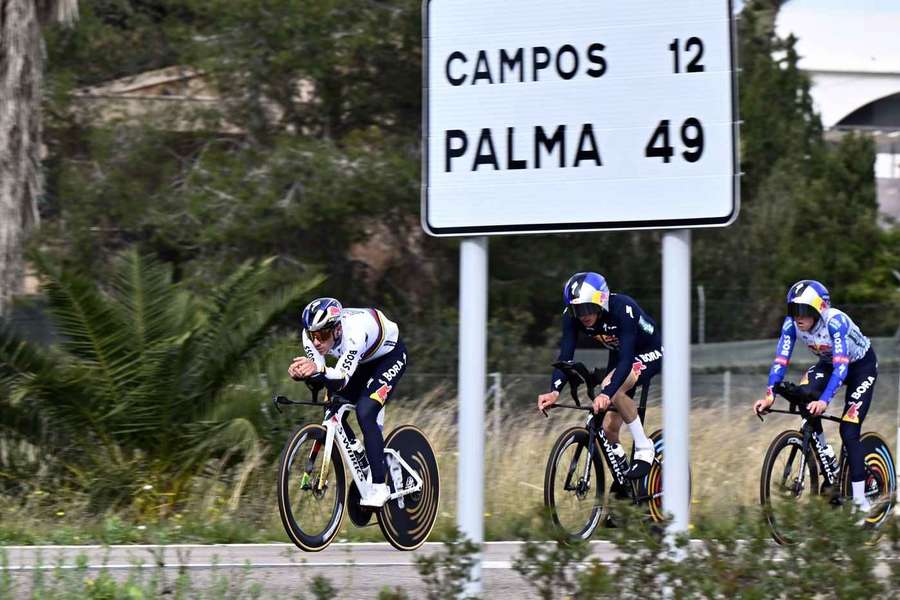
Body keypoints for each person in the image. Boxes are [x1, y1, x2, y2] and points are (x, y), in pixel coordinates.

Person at [753, 280, 877, 513]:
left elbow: (842, 368)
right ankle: (828, 459)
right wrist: (770, 395)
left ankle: (861, 502)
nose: (797, 316)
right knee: (802, 395)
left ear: (819, 310)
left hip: (861, 367)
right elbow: (781, 359)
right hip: (829, 364)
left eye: (804, 310)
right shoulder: (791, 325)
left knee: (849, 429)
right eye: (793, 310)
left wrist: (824, 401)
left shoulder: (835, 322)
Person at [537, 272, 662, 479]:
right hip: (620, 353)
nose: (583, 315)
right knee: (608, 429)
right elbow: (565, 357)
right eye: (577, 309)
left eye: (587, 307)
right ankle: (625, 482)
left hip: (648, 350)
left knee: (611, 387)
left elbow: (626, 360)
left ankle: (644, 447)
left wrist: (607, 393)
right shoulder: (572, 316)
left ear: (601, 300)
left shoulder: (623, 308)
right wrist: (554, 391)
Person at [288, 297, 407, 508]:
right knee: (332, 406)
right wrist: (303, 373)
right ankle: (360, 454)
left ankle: (380, 487)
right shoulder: (311, 336)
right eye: (313, 335)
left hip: (389, 357)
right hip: (361, 361)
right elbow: (320, 372)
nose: (316, 342)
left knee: (366, 412)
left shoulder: (354, 334)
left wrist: (317, 370)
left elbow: (340, 379)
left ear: (337, 330)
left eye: (322, 335)